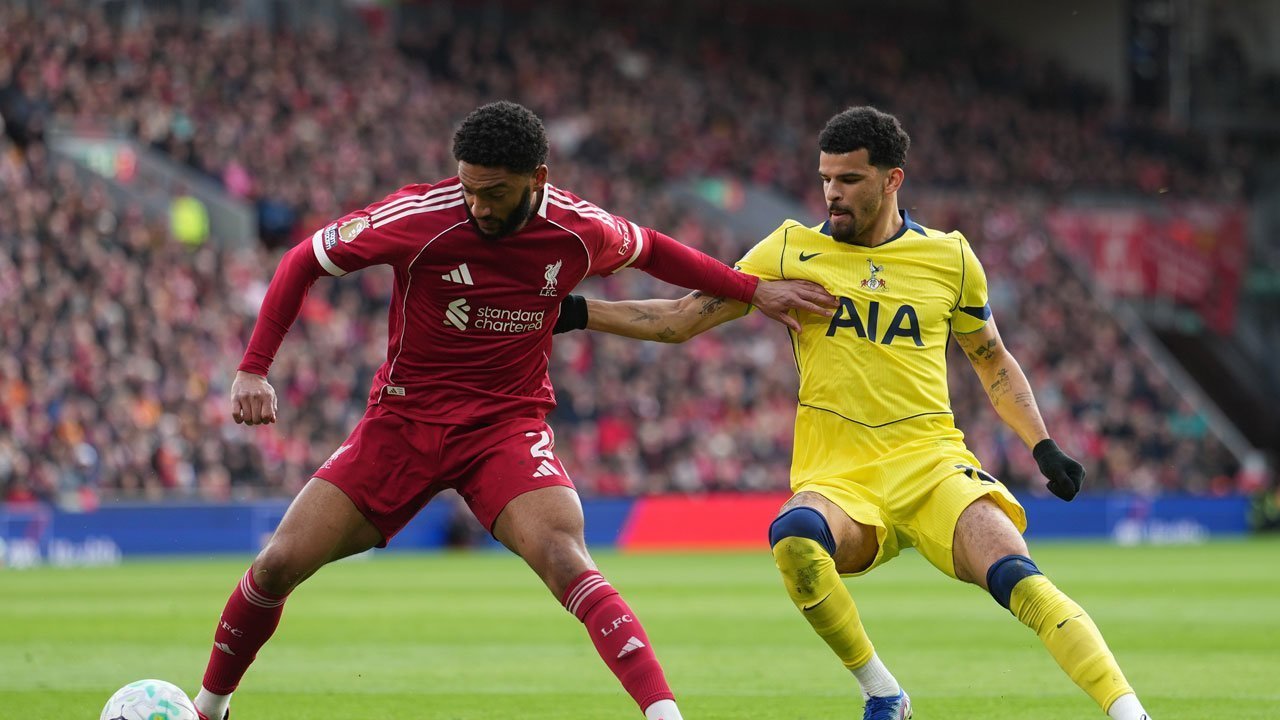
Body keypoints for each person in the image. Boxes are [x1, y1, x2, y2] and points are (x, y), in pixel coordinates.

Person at [194, 101, 834, 720]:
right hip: (401, 424)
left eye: (495, 192)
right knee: (276, 564)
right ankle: (209, 709)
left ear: (539, 180)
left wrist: (754, 290)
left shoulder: (580, 229)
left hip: (504, 429)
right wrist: (254, 368)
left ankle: (665, 714)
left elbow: (660, 254)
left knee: (566, 558)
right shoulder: (418, 217)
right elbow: (301, 260)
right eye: (469, 187)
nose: (478, 205)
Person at [554, 106, 1154, 720]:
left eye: (849, 180)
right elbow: (683, 318)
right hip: (837, 476)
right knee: (793, 541)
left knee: (1019, 578)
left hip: (932, 465)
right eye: (825, 179)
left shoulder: (950, 258)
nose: (832, 195)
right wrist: (574, 311)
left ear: (892, 180)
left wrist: (1042, 444)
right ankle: (883, 692)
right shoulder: (789, 248)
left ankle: (1130, 713)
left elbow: (991, 359)